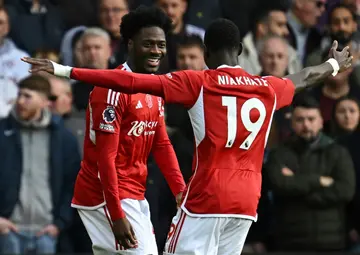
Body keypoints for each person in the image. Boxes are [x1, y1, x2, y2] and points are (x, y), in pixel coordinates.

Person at [22, 17, 353, 255]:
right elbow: (307, 76)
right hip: (247, 199)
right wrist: (334, 66)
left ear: (207, 53)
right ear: (239, 50)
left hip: (208, 195)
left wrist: (65, 70)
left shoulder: (198, 82)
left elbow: (132, 82)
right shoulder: (268, 87)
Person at [24, 6, 186, 255]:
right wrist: (116, 214)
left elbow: (161, 143)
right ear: (130, 45)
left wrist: (179, 190)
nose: (156, 51)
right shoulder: (111, 89)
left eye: (161, 44)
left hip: (133, 192)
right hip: (105, 196)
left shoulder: (155, 87)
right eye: (148, 44)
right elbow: (105, 158)